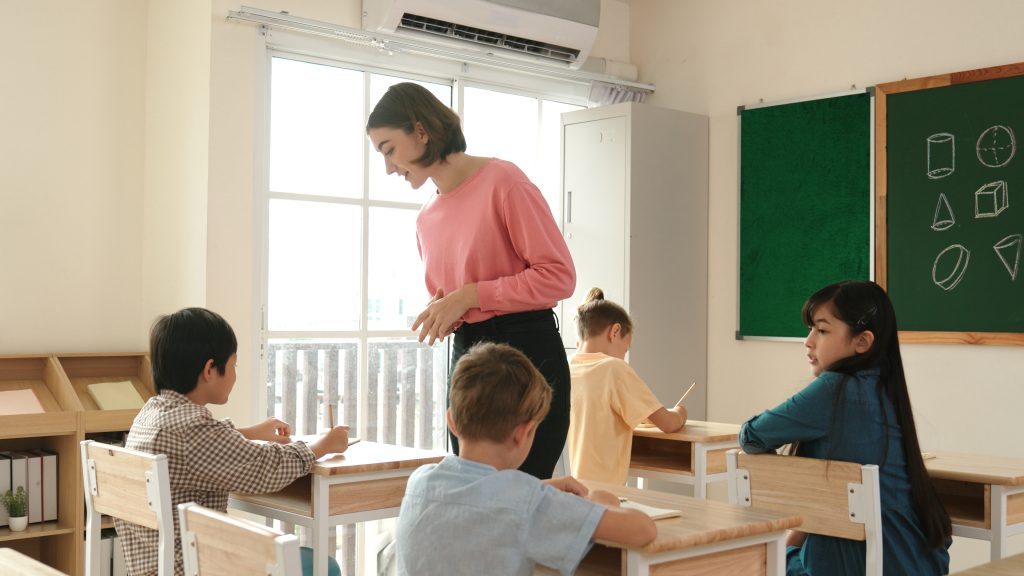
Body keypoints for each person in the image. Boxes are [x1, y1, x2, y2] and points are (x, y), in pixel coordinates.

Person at [366, 82, 575, 479]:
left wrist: (470, 295)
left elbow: (559, 277)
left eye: (389, 149)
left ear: (421, 131)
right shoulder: (425, 219)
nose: (389, 167)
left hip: (526, 350)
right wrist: (443, 309)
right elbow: (452, 297)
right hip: (468, 356)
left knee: (523, 494)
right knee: (475, 488)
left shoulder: (504, 182)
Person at [116, 307, 351, 576]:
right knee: (322, 566)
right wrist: (324, 444)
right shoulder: (194, 429)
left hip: (157, 564)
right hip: (193, 568)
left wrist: (251, 432)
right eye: (233, 364)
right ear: (209, 369)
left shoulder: (152, 413)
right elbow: (267, 468)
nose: (236, 373)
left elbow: (196, 447)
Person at [739, 280, 952, 575]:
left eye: (822, 330)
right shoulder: (885, 387)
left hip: (852, 564)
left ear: (862, 342)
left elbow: (751, 436)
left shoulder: (835, 389)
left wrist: (783, 550)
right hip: (915, 562)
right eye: (811, 328)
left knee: (767, 561)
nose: (808, 341)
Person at [395, 342, 656, 575]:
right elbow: (642, 530)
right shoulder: (527, 504)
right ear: (523, 434)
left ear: (451, 421)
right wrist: (600, 501)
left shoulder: (421, 481)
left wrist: (543, 488)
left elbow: (482, 497)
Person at [567, 288, 688, 484]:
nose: (624, 355)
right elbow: (668, 423)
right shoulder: (614, 368)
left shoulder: (565, 366)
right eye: (625, 348)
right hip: (602, 493)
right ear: (615, 332)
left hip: (565, 490)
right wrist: (679, 412)